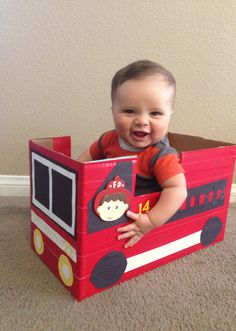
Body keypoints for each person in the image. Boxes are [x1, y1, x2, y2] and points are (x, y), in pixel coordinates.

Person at [78, 60, 187, 248]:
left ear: (170, 114)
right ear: (113, 111)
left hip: (137, 213)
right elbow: (86, 158)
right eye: (129, 111)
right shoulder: (109, 139)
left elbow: (178, 191)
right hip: (110, 202)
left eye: (155, 113)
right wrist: (78, 180)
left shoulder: (161, 156)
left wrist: (151, 221)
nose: (142, 121)